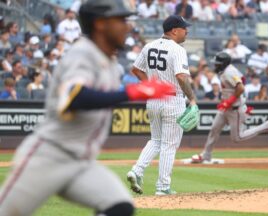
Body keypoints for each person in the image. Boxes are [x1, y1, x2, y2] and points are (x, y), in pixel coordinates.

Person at [0, 1, 175, 216]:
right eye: (120, 20)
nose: (127, 26)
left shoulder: (109, 62)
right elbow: (75, 96)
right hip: (49, 156)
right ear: (100, 24)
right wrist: (131, 93)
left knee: (119, 206)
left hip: (80, 163)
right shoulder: (83, 53)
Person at [127, 15, 197, 195]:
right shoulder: (177, 49)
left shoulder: (149, 46)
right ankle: (163, 187)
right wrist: (192, 99)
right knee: (169, 145)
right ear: (174, 30)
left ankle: (136, 170)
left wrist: (150, 85)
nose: (186, 31)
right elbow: (181, 77)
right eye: (183, 28)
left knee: (156, 140)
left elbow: (135, 69)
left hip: (154, 100)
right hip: (172, 99)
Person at [190, 52, 268, 164]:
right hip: (227, 108)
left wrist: (231, 101)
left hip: (234, 109)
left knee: (237, 138)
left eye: (217, 63)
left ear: (223, 63)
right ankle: (206, 155)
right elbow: (243, 80)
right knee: (214, 129)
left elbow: (241, 88)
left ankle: (266, 126)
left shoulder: (229, 72)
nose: (215, 65)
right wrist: (227, 102)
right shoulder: (227, 70)